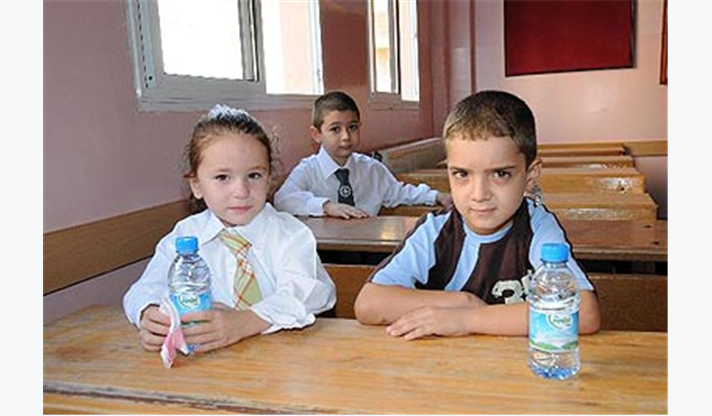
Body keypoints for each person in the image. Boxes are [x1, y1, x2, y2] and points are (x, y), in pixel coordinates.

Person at [354, 90, 601, 339]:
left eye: (500, 174)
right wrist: (463, 302)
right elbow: (368, 304)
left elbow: (585, 313)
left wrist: (467, 319)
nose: (479, 194)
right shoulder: (435, 231)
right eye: (462, 174)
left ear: (530, 175)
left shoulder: (539, 227)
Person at [123, 104, 336, 353]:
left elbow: (310, 293)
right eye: (223, 177)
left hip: (284, 358)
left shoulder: (290, 233)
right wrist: (148, 313)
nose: (241, 191)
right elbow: (143, 289)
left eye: (254, 175)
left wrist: (245, 322)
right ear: (196, 185)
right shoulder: (185, 235)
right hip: (213, 363)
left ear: (269, 179)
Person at [273, 91, 452, 219]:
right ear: (317, 134)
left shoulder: (372, 169)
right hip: (324, 252)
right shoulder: (308, 170)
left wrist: (437, 196)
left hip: (368, 248)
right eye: (335, 129)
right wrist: (326, 206)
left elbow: (400, 192)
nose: (346, 136)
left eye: (352, 127)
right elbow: (283, 199)